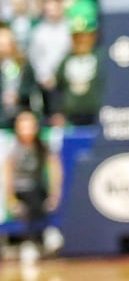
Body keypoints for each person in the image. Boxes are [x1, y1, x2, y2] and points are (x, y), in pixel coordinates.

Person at [3, 111, 64, 262]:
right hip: (20, 191)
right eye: (23, 126)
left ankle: (32, 241)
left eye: (29, 126)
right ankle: (43, 235)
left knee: (36, 195)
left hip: (39, 190)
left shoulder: (42, 146)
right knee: (30, 198)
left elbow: (55, 168)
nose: (27, 130)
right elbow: (7, 174)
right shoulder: (13, 147)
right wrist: (10, 199)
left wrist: (55, 194)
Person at [53, 0, 104, 126]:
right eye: (77, 36)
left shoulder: (102, 57)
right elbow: (58, 87)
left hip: (98, 113)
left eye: (85, 36)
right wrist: (59, 111)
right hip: (72, 115)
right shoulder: (66, 60)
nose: (81, 40)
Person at [27, 0, 72, 122]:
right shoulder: (38, 31)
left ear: (61, 5)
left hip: (69, 79)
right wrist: (44, 76)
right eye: (48, 6)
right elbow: (35, 57)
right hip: (48, 83)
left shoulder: (70, 27)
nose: (51, 10)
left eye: (54, 5)